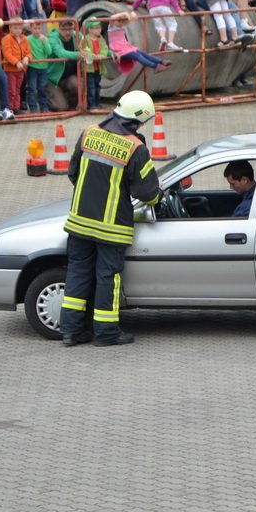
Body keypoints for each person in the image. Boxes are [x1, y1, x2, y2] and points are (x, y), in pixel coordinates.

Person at [59, 90, 164, 347]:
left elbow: (73, 173)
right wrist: (159, 197)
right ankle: (106, 333)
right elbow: (146, 192)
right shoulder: (135, 148)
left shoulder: (88, 133)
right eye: (143, 122)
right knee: (108, 277)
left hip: (79, 222)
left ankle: (71, 332)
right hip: (111, 228)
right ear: (138, 120)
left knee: (77, 273)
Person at [106, 11, 173, 72]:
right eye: (119, 22)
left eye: (123, 22)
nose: (121, 24)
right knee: (137, 56)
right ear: (115, 21)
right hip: (119, 50)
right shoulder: (111, 26)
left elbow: (132, 18)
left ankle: (161, 62)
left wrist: (132, 13)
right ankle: (155, 66)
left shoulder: (122, 25)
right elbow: (112, 17)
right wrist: (125, 13)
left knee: (143, 54)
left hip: (126, 47)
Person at [46, 20, 81, 111]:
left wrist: (109, 53)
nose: (68, 32)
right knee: (61, 108)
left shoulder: (77, 35)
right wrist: (78, 54)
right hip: (52, 79)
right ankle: (45, 95)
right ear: (59, 29)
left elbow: (89, 46)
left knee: (77, 84)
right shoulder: (52, 38)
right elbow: (61, 53)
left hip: (68, 78)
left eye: (70, 29)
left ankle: (72, 104)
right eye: (64, 29)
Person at [1, 17, 31, 113]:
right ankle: (9, 108)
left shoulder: (24, 39)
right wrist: (16, 62)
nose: (17, 30)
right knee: (11, 90)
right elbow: (7, 54)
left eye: (19, 28)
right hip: (11, 69)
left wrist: (27, 58)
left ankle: (16, 107)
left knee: (18, 89)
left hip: (21, 70)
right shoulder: (6, 39)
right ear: (10, 28)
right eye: (15, 28)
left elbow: (29, 52)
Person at [79, 19, 110, 109]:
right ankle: (91, 104)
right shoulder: (85, 39)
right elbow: (84, 50)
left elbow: (105, 48)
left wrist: (102, 55)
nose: (98, 30)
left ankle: (97, 102)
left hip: (98, 67)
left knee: (97, 85)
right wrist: (95, 56)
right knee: (90, 86)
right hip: (89, 68)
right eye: (96, 28)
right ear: (90, 30)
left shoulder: (101, 39)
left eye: (99, 28)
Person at [26, 20, 52, 113]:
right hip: (32, 67)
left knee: (42, 88)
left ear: (42, 29)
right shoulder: (28, 39)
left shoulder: (44, 38)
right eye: (35, 28)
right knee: (32, 88)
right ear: (30, 28)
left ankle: (44, 107)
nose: (37, 31)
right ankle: (33, 108)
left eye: (39, 28)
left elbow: (49, 52)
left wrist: (44, 42)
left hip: (43, 67)